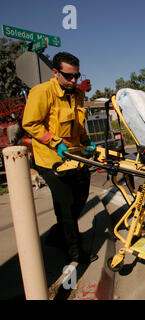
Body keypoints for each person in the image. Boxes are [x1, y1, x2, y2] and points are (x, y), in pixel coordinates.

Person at [22, 52, 97, 264]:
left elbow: (78, 123)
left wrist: (86, 141)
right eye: (68, 76)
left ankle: (57, 235)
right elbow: (31, 123)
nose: (73, 81)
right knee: (65, 206)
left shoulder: (79, 94)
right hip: (50, 158)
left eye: (76, 75)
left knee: (80, 199)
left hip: (74, 155)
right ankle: (74, 251)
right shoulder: (42, 92)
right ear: (55, 72)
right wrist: (55, 142)